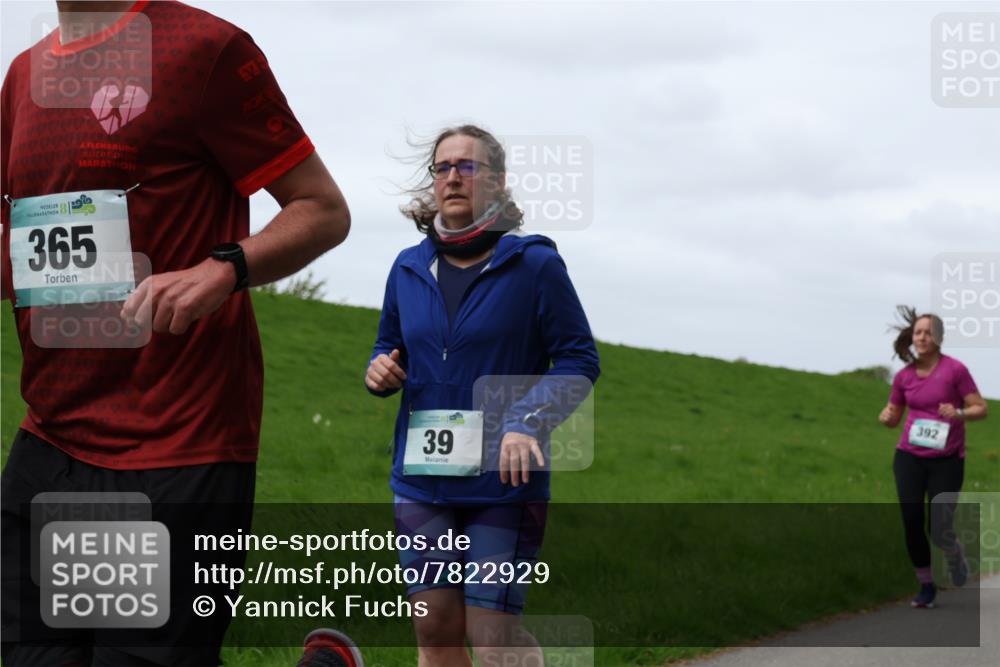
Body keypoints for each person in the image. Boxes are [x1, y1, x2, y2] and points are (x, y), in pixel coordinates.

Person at [1, 1, 350, 664]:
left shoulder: (203, 49)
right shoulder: (22, 77)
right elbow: (27, 252)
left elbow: (323, 210)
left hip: (173, 441)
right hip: (50, 438)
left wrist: (226, 269)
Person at [365, 125, 599, 666]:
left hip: (503, 483)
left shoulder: (534, 265)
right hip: (422, 482)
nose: (452, 177)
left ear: (496, 181)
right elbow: (388, 347)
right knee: (435, 632)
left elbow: (579, 358)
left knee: (492, 637)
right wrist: (379, 372)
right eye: (442, 167)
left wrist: (527, 420)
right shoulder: (406, 267)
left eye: (466, 167)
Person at [878, 306, 988, 609]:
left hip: (948, 459)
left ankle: (954, 555)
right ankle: (926, 584)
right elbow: (894, 416)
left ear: (939, 338)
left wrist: (960, 412)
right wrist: (886, 417)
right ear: (912, 338)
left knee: (939, 527)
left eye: (928, 332)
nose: (923, 337)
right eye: (918, 333)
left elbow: (981, 407)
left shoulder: (955, 370)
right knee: (911, 520)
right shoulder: (904, 377)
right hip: (909, 456)